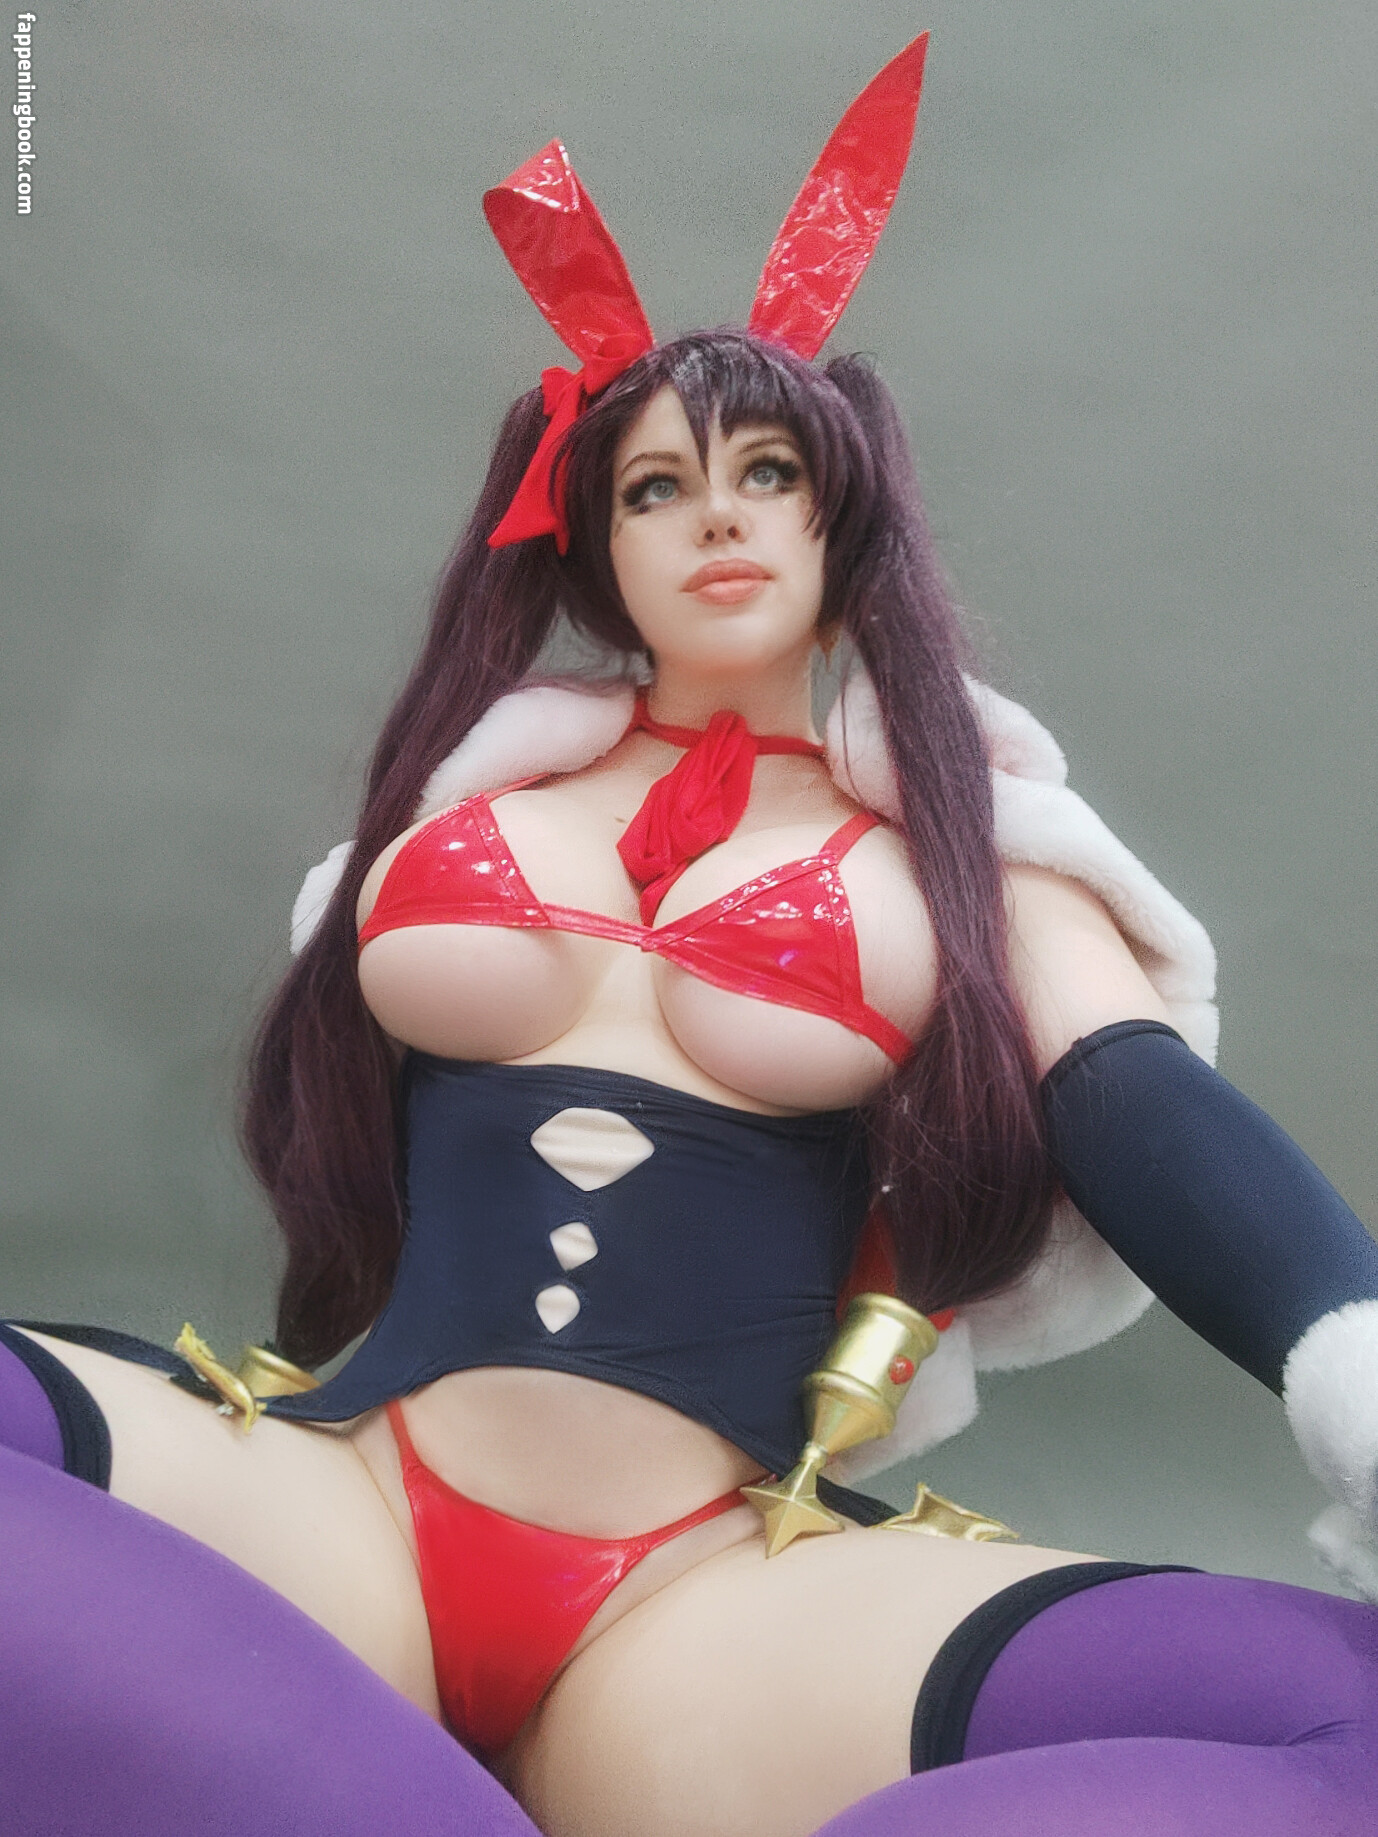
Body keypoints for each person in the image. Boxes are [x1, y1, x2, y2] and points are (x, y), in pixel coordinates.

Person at [6, 35, 1378, 1837]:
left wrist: (1355, 1380)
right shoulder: (470, 805)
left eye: (766, 470)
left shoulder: (973, 853)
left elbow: (1140, 1110)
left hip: (704, 1609)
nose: (715, 511)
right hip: (336, 1509)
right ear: (590, 538)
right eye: (655, 483)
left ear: (841, 513)